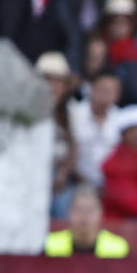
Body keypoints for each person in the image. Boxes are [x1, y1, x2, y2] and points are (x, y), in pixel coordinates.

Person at [38, 52, 79, 219]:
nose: (53, 86)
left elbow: (74, 149)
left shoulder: (71, 112)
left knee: (67, 203)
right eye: (48, 80)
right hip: (32, 176)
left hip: (59, 178)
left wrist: (63, 173)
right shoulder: (25, 111)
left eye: (58, 81)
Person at [69, 71, 124, 188]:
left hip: (111, 186)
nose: (106, 94)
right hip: (75, 182)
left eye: (111, 91)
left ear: (117, 95)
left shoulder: (121, 120)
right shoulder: (74, 114)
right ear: (91, 89)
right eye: (103, 89)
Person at [45, 188, 130, 257]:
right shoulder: (50, 245)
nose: (84, 216)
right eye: (79, 210)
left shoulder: (117, 247)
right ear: (69, 212)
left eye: (90, 210)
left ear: (101, 213)